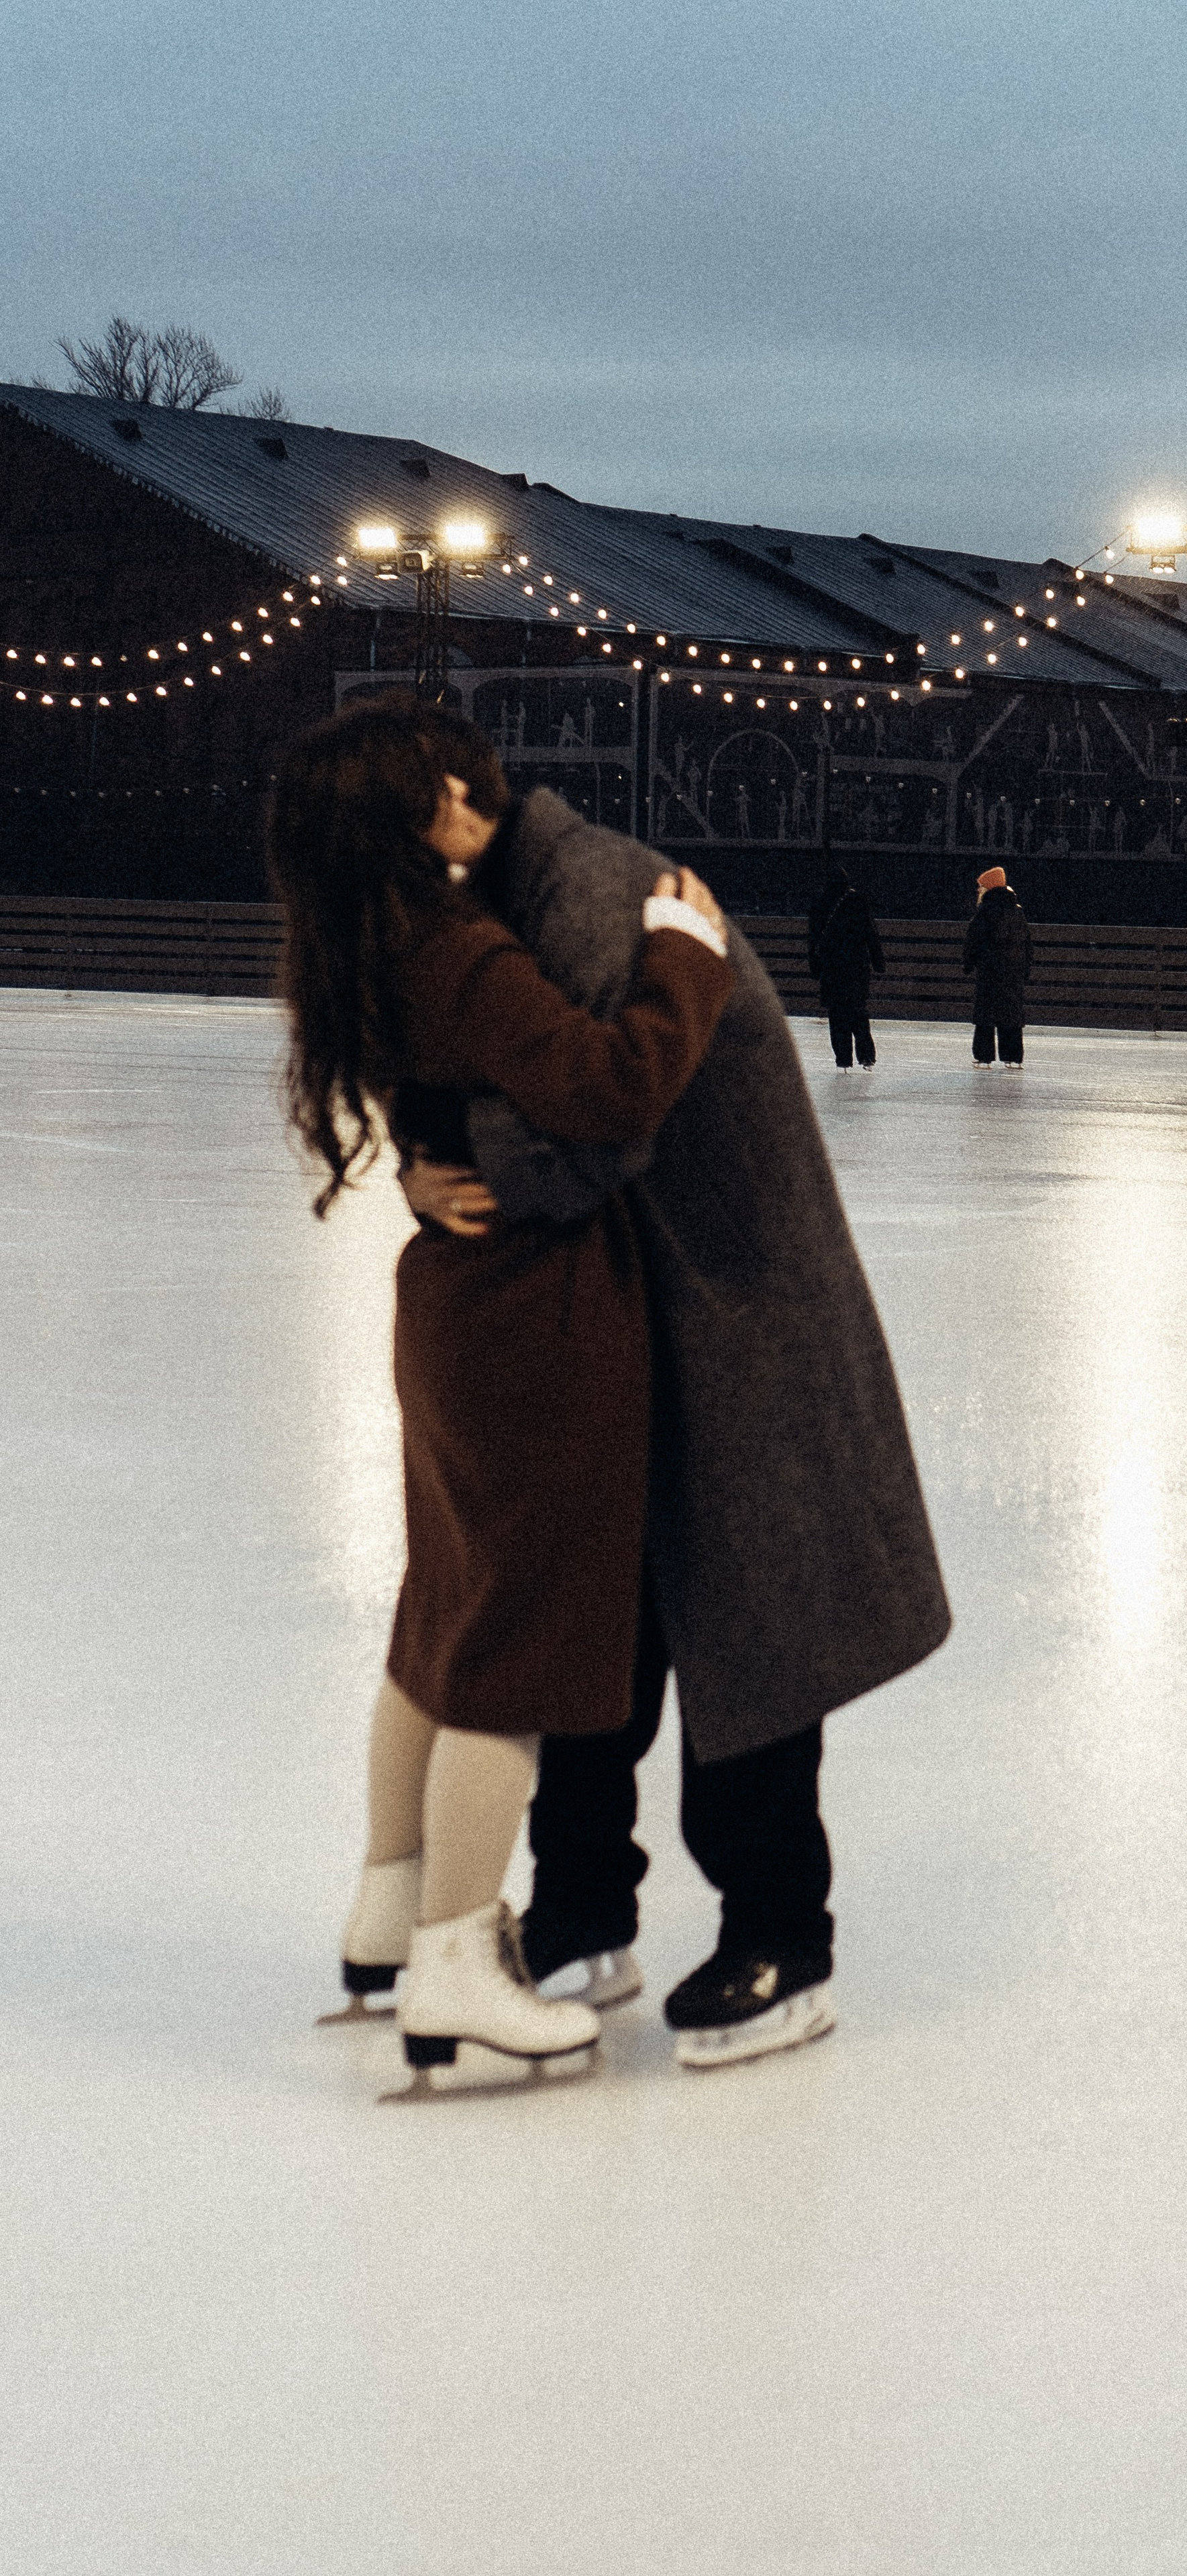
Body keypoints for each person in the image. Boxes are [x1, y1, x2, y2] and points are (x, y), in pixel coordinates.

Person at [393, 708, 951, 2069]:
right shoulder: (516, 897)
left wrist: (449, 1151)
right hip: (636, 1306)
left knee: (748, 1637)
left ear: (457, 807)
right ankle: (585, 1913)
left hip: (738, 1310)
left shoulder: (593, 896)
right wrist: (423, 1159)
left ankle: (783, 1935)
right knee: (599, 1625)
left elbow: (596, 1124)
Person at [270, 698, 733, 2086]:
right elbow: (609, 1086)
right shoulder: (459, 950)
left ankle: (392, 1903)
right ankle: (459, 1957)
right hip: (534, 1321)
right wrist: (684, 957)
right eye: (448, 791)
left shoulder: (362, 951)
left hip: (451, 1308)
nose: (477, 801)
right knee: (513, 1651)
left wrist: (422, 1173)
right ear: (417, 821)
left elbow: (436, 1109)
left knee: (443, 1617)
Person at [807, 863, 886, 1067]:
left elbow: (813, 938)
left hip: (832, 967)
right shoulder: (857, 901)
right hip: (856, 966)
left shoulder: (820, 903)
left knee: (837, 1014)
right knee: (858, 1011)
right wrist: (878, 962)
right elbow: (871, 933)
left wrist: (814, 966)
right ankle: (866, 1055)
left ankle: (843, 1058)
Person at [962, 864, 1033, 1065]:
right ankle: (1013, 1057)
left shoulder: (985, 911)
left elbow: (974, 940)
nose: (979, 890)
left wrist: (969, 963)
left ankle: (984, 1056)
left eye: (981, 887)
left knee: (986, 1015)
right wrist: (1026, 968)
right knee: (1011, 1014)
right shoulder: (1017, 912)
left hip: (990, 971)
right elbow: (1027, 943)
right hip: (1013, 972)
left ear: (988, 888)